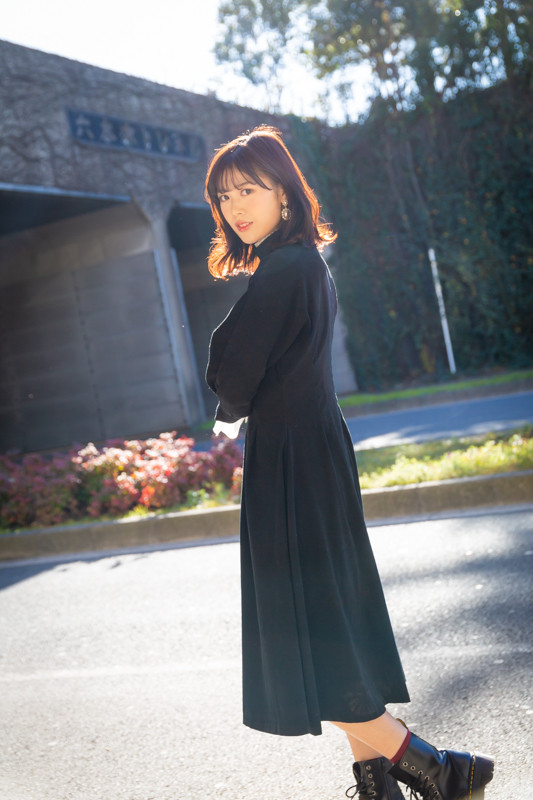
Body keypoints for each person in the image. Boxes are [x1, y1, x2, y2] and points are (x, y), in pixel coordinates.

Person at [204, 125, 494, 800]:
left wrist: (226, 392)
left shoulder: (284, 270)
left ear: (284, 192)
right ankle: (378, 787)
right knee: (329, 625)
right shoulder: (301, 263)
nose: (235, 206)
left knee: (304, 639)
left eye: (249, 189)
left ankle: (440, 770)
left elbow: (235, 376)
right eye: (224, 196)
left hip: (290, 461)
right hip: (310, 452)